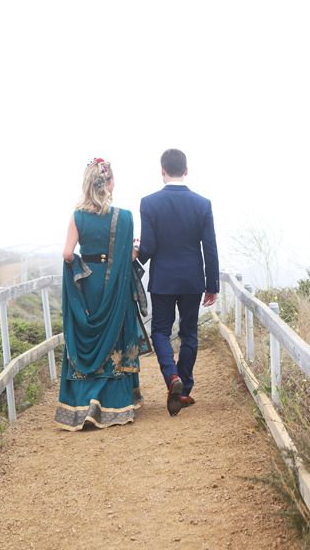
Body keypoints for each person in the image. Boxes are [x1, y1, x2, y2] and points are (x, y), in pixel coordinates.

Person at [55, 158, 143, 431]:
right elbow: (128, 257)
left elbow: (68, 254)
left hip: (89, 285)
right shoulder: (124, 217)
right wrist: (135, 252)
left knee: (88, 336)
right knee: (114, 336)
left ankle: (82, 405)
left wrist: (81, 269)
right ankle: (114, 403)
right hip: (114, 285)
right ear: (109, 183)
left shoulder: (77, 217)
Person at [139, 149, 219, 416]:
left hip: (162, 279)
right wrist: (212, 284)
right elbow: (210, 247)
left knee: (160, 331)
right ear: (186, 170)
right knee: (189, 333)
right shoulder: (202, 204)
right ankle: (183, 391)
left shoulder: (149, 203)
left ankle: (172, 377)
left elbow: (148, 249)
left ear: (162, 171)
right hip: (192, 279)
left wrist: (137, 250)